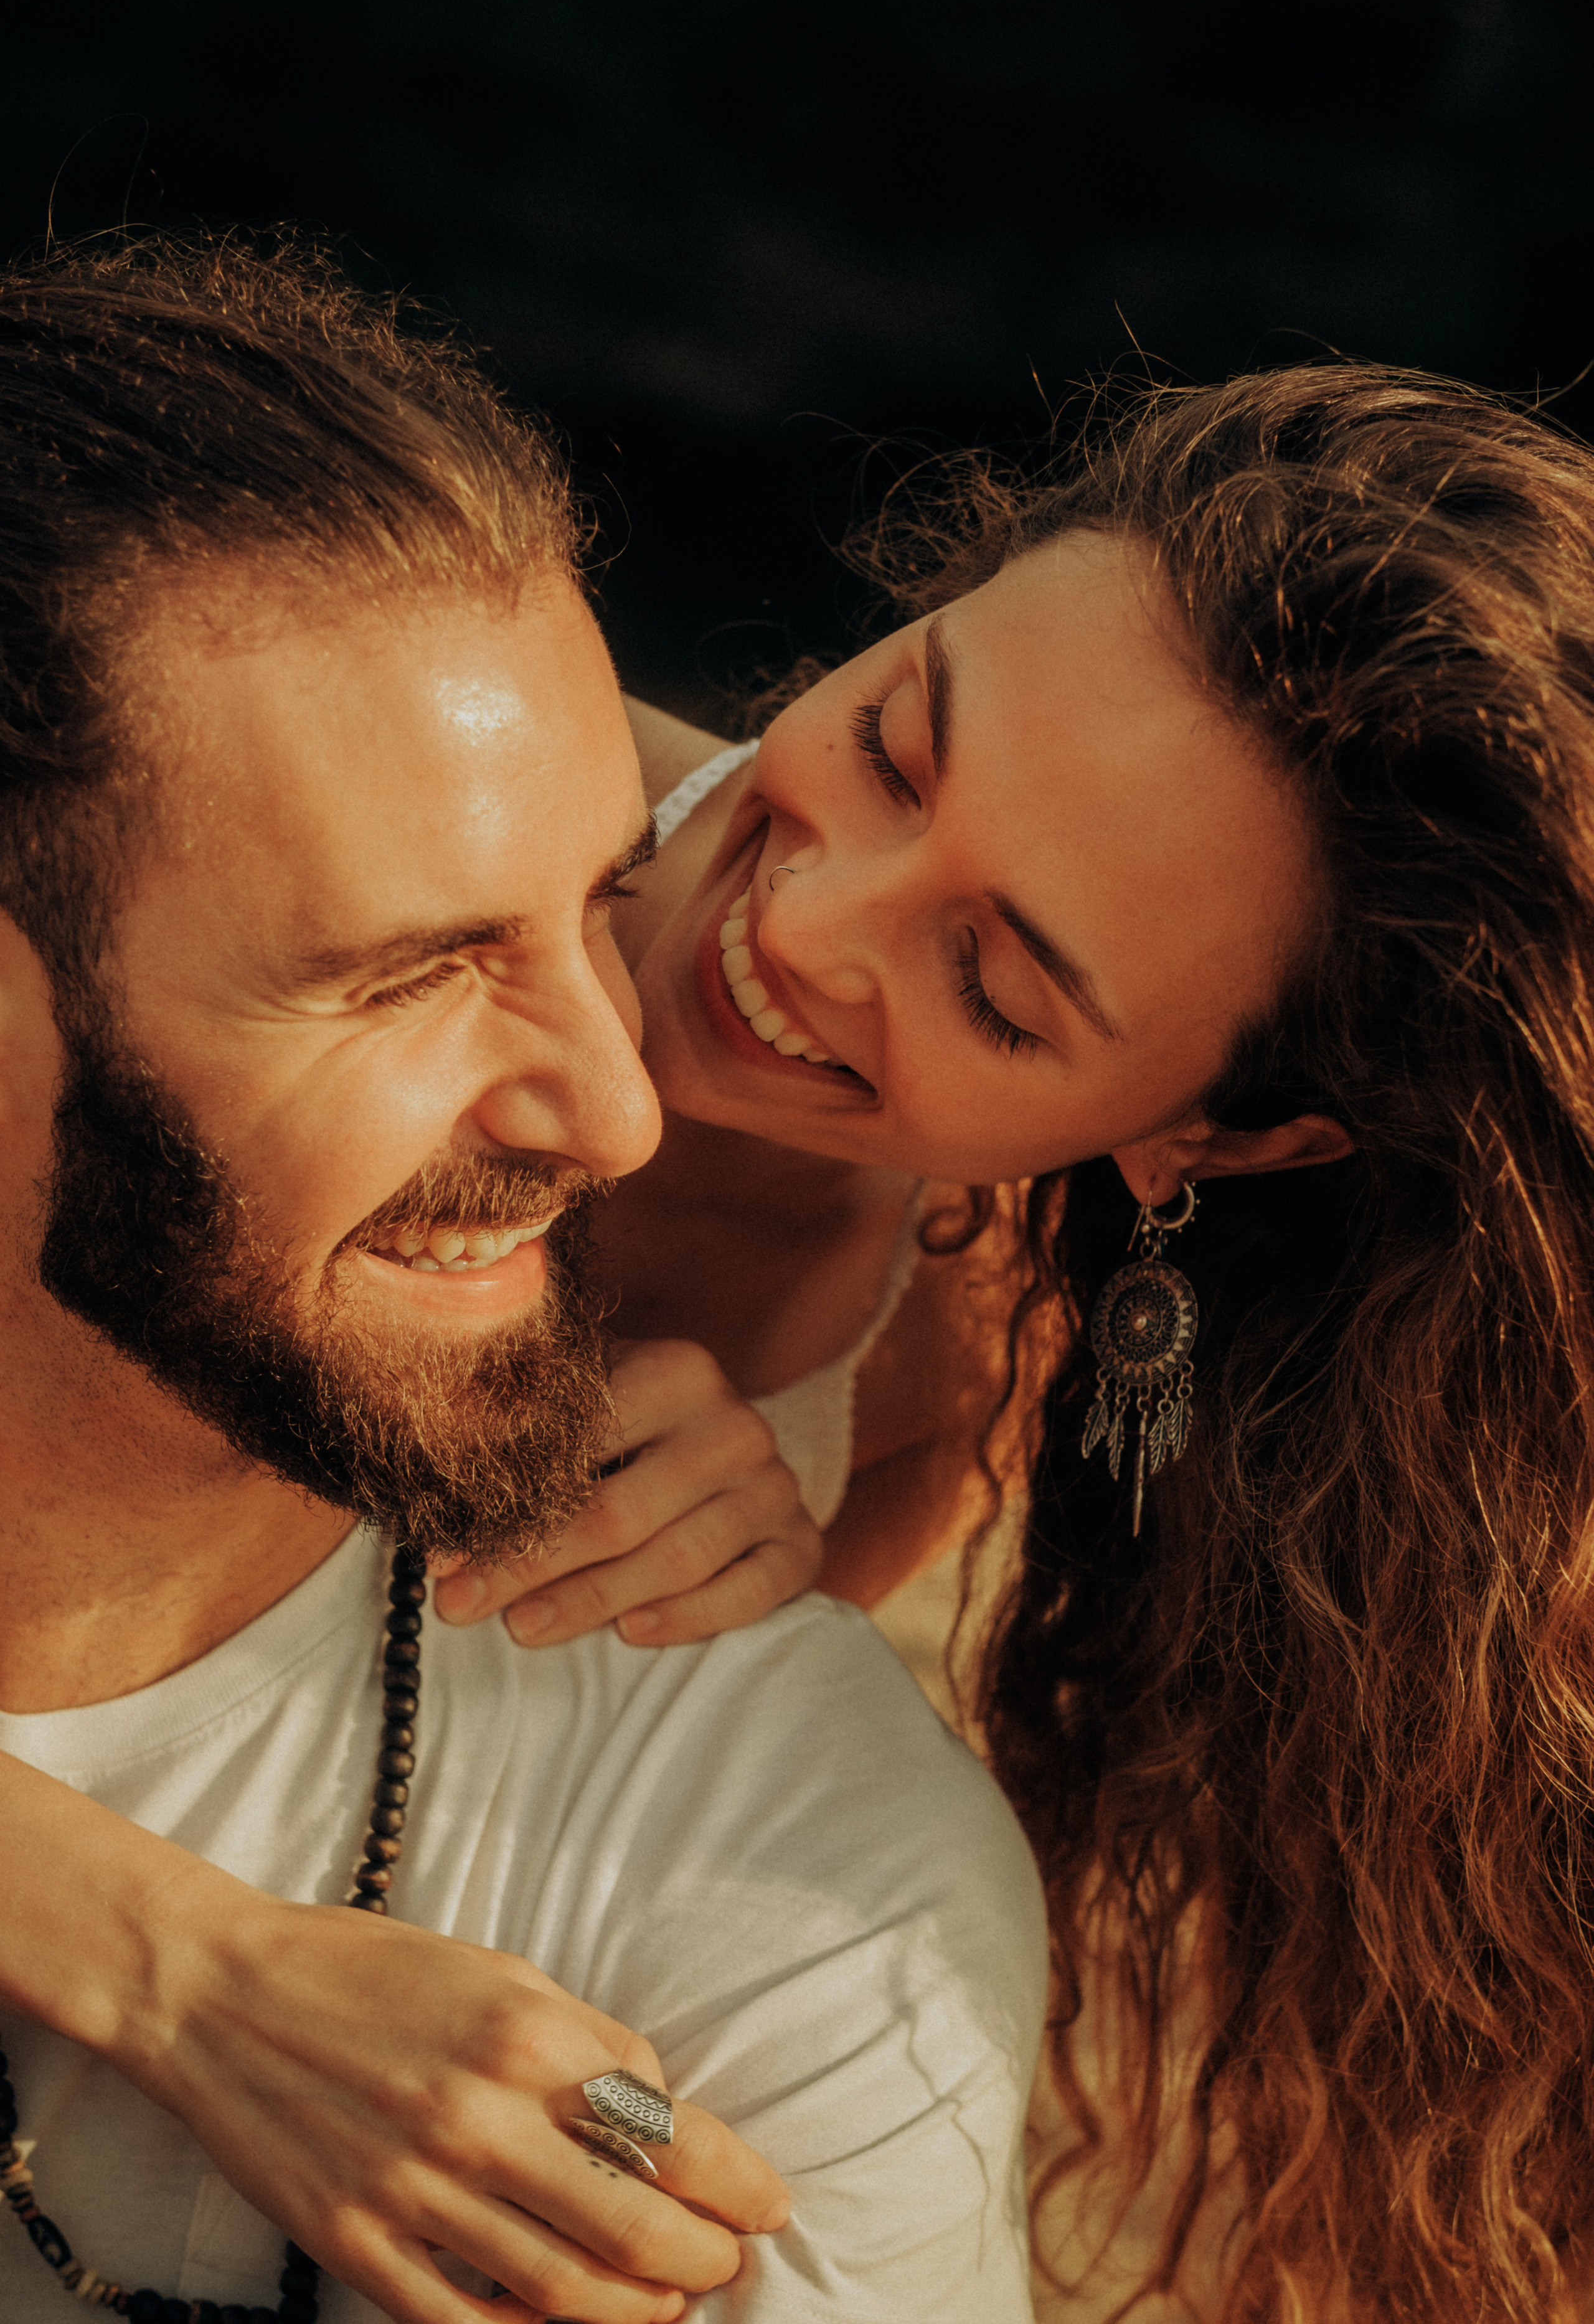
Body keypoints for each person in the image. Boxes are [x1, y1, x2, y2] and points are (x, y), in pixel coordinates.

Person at [8, 232, 1592, 2322]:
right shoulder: (324, 773)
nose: (807, 919)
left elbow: (613, 1782)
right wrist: (175, 1965)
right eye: (901, 744)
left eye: (997, 986)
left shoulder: (939, 1338)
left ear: (1204, 1142)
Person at [0, 235, 1048, 2324]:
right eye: (413, 970)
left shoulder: (793, 1891)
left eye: (595, 904)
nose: (624, 1109)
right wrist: (172, 1964)